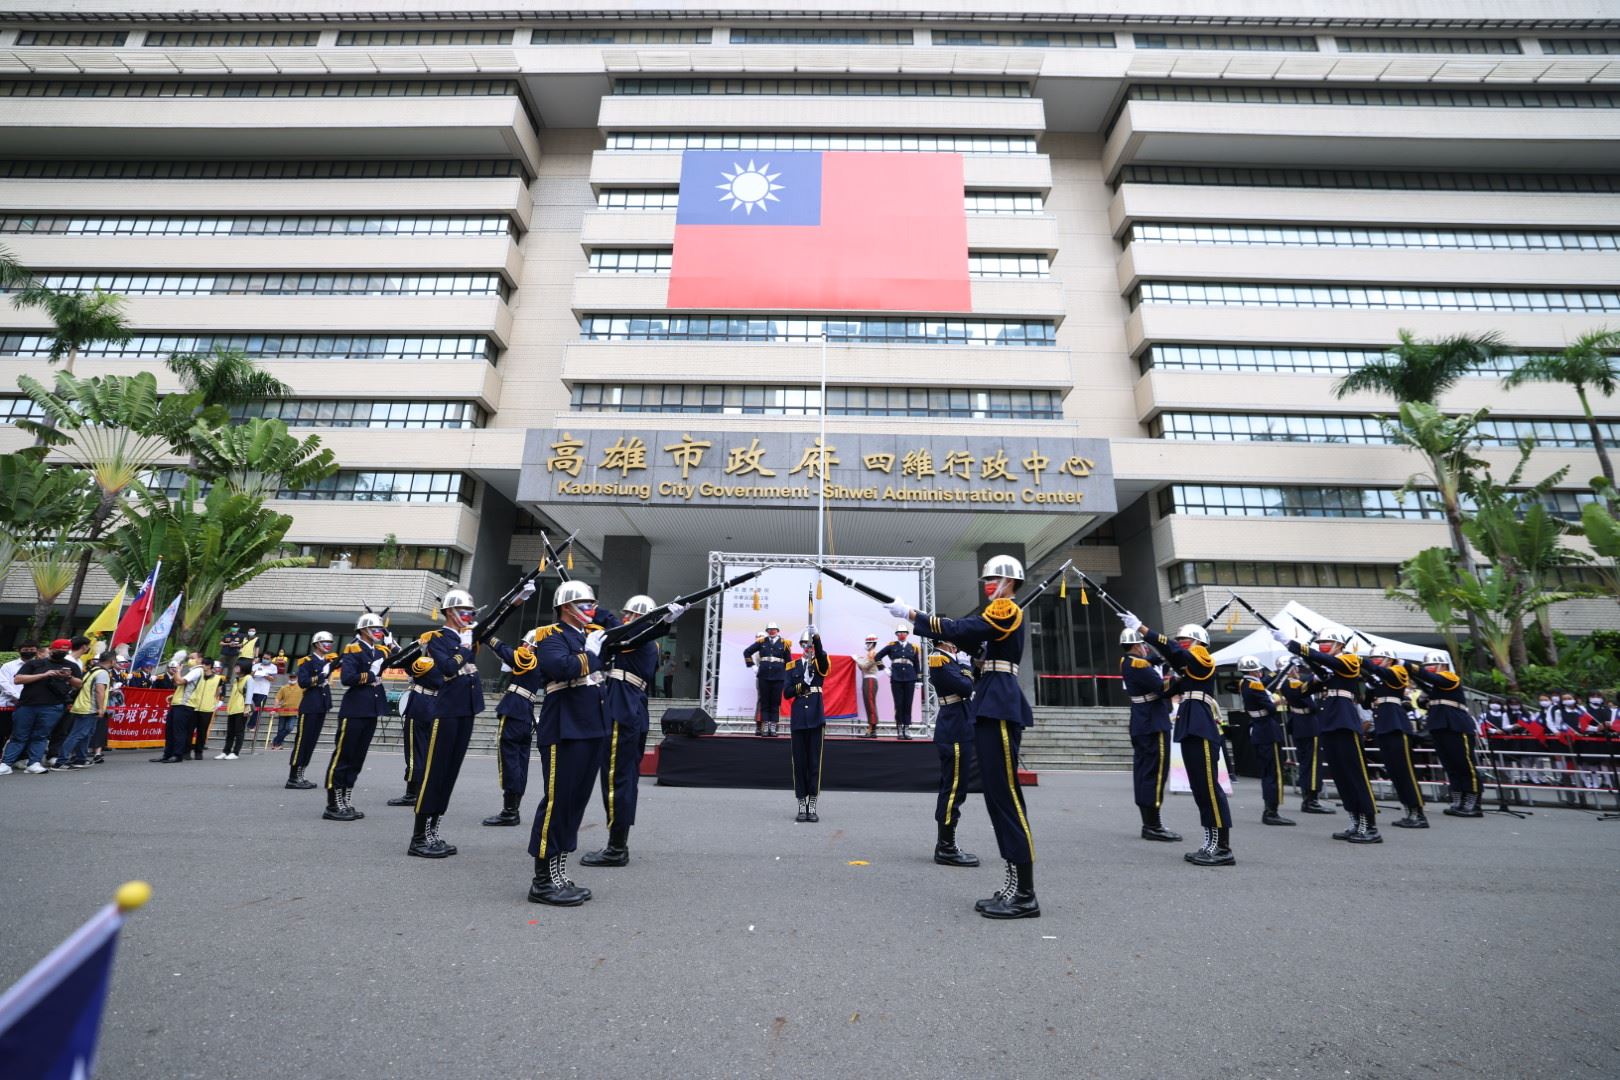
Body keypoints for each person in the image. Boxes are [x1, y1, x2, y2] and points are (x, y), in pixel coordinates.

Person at [889, 553, 1039, 919]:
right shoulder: (996, 616)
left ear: (1011, 582)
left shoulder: (1006, 608)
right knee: (996, 799)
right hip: (989, 704)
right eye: (987, 579)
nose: (990, 584)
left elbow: (958, 630)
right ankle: (1013, 884)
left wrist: (913, 615)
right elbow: (970, 641)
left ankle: (1024, 893)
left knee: (1007, 800)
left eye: (996, 578)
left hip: (1000, 704)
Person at [1122, 615, 1235, 866]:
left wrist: (1144, 629)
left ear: (1198, 642)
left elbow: (1176, 653)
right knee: (1200, 789)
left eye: (1185, 639)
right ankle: (1211, 840)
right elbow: (1168, 679)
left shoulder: (1203, 657)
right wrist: (1160, 662)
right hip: (1189, 726)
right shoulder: (1188, 668)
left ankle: (1223, 847)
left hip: (1202, 726)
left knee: (1209, 788)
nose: (1181, 642)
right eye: (1180, 639)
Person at [581, 593, 682, 867]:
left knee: (615, 779)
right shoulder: (637, 640)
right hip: (627, 707)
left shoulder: (641, 639)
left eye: (630, 616)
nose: (624, 620)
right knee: (621, 778)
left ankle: (616, 848)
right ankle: (617, 844)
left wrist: (593, 608)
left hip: (622, 708)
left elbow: (623, 631)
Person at [413, 587, 513, 858]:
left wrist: (513, 602)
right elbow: (447, 667)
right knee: (435, 774)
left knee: (448, 775)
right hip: (445, 711)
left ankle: (434, 831)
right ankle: (419, 836)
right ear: (449, 612)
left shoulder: (467, 635)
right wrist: (465, 647)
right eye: (464, 611)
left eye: (471, 612)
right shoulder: (437, 637)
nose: (469, 616)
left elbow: (493, 621)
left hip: (466, 710)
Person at [522, 579, 606, 902]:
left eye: (592, 603)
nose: (591, 609)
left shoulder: (587, 637)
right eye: (584, 604)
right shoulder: (550, 636)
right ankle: (542, 881)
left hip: (589, 728)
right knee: (557, 803)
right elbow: (561, 667)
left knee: (574, 805)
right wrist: (592, 655)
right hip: (564, 729)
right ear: (565, 608)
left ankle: (559, 872)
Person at [1275, 629, 1381, 844]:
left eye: (1328, 642)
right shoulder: (1328, 670)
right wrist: (1295, 680)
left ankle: (1369, 825)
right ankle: (1354, 821)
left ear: (1340, 645)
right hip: (1328, 724)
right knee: (1341, 777)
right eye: (1321, 642)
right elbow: (1301, 693)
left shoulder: (1348, 659)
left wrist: (1294, 645)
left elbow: (1325, 660)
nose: (1323, 645)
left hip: (1345, 722)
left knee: (1355, 775)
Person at [322, 613, 391, 821]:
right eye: (376, 629)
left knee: (357, 758)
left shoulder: (378, 650)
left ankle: (346, 797)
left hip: (370, 709)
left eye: (381, 630)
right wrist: (371, 674)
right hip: (354, 710)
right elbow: (347, 678)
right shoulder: (353, 648)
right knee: (343, 756)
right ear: (363, 631)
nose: (379, 633)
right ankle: (333, 803)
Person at [481, 627, 543, 828]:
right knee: (520, 761)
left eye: (526, 644)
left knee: (509, 760)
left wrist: (488, 637)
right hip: (525, 713)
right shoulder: (543, 664)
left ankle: (509, 811)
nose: (522, 647)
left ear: (532, 647)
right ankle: (513, 809)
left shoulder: (528, 658)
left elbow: (506, 652)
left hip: (514, 711)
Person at [1121, 628, 1179, 841]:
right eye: (1144, 645)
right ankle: (1153, 825)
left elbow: (1151, 661)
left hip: (1141, 721)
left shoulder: (1128, 662)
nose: (1146, 649)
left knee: (1145, 772)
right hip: (1153, 723)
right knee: (1155, 774)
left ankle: (1150, 822)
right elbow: (1163, 689)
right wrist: (1176, 675)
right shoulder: (1140, 665)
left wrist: (1166, 655)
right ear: (1138, 646)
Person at [1411, 651, 1483, 817]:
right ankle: (1458, 797)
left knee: (1465, 765)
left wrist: (1409, 666)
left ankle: (1473, 799)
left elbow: (1434, 679)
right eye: (1426, 666)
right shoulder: (1435, 687)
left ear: (1442, 665)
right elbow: (1423, 699)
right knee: (1450, 765)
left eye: (1431, 665)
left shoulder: (1450, 677)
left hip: (1457, 727)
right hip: (1439, 727)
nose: (1428, 669)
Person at [927, 640, 979, 867]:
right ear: (943, 642)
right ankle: (946, 847)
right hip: (954, 730)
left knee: (955, 789)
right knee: (953, 790)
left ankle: (946, 844)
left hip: (959, 727)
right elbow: (966, 687)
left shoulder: (949, 660)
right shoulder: (939, 660)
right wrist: (966, 667)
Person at [1364, 647, 1427, 828]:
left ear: (1389, 659)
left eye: (1379, 657)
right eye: (1373, 657)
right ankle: (1409, 810)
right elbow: (1366, 704)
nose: (1375, 660)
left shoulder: (1397, 671)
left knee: (1405, 771)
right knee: (1395, 772)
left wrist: (1367, 667)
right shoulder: (1380, 678)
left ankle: (1418, 813)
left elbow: (1384, 673)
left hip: (1397, 726)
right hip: (1383, 727)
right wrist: (1369, 684)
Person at [0, 639, 81, 775]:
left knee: (41, 736)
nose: (61, 653)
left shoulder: (71, 666)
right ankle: (6, 763)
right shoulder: (34, 663)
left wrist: (68, 677)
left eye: (64, 651)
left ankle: (34, 763)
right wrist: (45, 674)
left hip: (53, 706)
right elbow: (18, 679)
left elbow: (79, 684)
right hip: (27, 705)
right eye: (58, 650)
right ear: (50, 649)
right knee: (19, 735)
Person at [1237, 656, 1294, 827]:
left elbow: (1268, 682)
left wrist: (1282, 670)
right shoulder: (1255, 685)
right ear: (1255, 670)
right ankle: (1271, 811)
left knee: (1268, 772)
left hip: (1258, 730)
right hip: (1267, 731)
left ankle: (1270, 809)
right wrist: (1276, 699)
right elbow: (1269, 707)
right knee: (1273, 772)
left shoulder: (1245, 683)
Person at [784, 626, 830, 824]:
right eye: (805, 645)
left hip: (815, 717)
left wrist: (817, 637)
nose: (808, 648)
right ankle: (801, 803)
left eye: (810, 646)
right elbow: (786, 692)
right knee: (799, 764)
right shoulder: (792, 666)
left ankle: (813, 804)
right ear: (801, 646)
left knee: (814, 763)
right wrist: (800, 686)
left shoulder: (821, 661)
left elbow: (822, 659)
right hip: (798, 719)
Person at [387, 634, 438, 808]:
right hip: (435, 708)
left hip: (419, 707)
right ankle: (424, 790)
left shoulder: (426, 663)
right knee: (427, 752)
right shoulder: (449, 665)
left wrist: (395, 646)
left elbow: (403, 661)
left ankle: (411, 793)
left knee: (414, 752)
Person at [1278, 661, 1332, 814]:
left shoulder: (1286, 684)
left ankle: (1307, 798)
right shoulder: (1294, 684)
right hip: (1309, 725)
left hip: (1298, 725)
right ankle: (1311, 800)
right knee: (1313, 764)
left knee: (1305, 764)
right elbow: (1313, 706)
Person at [286, 632, 335, 789]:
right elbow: (303, 682)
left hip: (321, 705)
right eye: (325, 642)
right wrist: (321, 676)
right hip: (310, 705)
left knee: (311, 742)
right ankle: (293, 776)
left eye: (330, 642)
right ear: (316, 644)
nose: (328, 644)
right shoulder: (306, 661)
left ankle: (302, 773)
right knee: (302, 741)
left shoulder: (327, 661)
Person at [57, 649, 114, 769]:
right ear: (112, 661)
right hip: (89, 707)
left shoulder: (92, 670)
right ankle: (61, 761)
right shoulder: (102, 673)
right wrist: (100, 708)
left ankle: (80, 759)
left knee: (86, 734)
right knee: (77, 734)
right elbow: (100, 690)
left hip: (83, 705)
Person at [45, 637, 90, 765]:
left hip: (68, 698)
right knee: (44, 729)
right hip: (51, 698)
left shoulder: (77, 662)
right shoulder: (65, 661)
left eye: (65, 649)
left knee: (62, 729)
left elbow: (78, 682)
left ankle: (53, 755)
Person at [742, 622, 790, 737]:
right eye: (769, 629)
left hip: (778, 676)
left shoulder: (785, 643)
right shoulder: (762, 642)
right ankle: (765, 726)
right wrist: (752, 665)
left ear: (778, 630)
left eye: (774, 629)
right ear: (767, 631)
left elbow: (789, 661)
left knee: (775, 701)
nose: (772, 631)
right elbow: (747, 652)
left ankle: (773, 726)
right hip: (764, 675)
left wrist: (788, 675)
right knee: (764, 701)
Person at [875, 624, 921, 739]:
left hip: (910, 678)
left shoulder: (913, 647)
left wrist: (918, 679)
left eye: (904, 632)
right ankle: (899, 728)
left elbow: (917, 664)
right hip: (896, 678)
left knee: (908, 703)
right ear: (896, 635)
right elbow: (877, 657)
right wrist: (884, 669)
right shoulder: (892, 646)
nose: (901, 634)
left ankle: (907, 728)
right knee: (899, 703)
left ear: (907, 634)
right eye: (899, 633)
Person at [152, 654, 200, 764]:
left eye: (193, 658)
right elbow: (177, 683)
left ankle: (177, 755)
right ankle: (167, 754)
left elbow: (179, 681)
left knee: (179, 731)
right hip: (177, 703)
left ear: (200, 659)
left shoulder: (197, 671)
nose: (190, 660)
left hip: (185, 704)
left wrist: (177, 670)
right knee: (170, 730)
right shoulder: (191, 671)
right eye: (189, 658)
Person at [183, 657, 223, 760]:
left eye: (204, 664)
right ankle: (186, 752)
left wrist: (214, 702)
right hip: (194, 706)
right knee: (189, 730)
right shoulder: (198, 675)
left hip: (207, 708)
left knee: (202, 731)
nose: (202, 666)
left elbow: (218, 692)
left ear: (209, 666)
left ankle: (198, 752)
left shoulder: (218, 679)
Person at [217, 659, 252, 760]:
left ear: (244, 668)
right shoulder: (236, 679)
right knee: (230, 731)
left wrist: (247, 708)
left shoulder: (248, 678)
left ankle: (236, 752)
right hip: (233, 708)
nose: (235, 668)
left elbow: (249, 694)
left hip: (241, 709)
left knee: (239, 731)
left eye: (238, 666)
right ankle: (226, 751)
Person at [855, 634, 883, 737]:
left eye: (868, 643)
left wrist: (857, 659)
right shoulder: (870, 654)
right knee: (869, 703)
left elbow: (865, 666)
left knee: (870, 703)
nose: (867, 645)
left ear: (872, 643)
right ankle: (872, 728)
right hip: (868, 679)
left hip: (870, 679)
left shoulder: (873, 654)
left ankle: (872, 728)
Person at [247, 655, 277, 738]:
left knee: (258, 709)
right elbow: (250, 675)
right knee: (248, 707)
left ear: (271, 659)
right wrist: (256, 671)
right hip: (253, 689)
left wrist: (265, 675)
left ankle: (251, 725)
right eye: (264, 658)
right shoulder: (256, 665)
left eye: (267, 659)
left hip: (263, 691)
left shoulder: (273, 667)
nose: (265, 660)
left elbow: (273, 679)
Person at [271, 676, 302, 749]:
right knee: (281, 729)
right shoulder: (283, 688)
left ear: (297, 678)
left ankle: (275, 741)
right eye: (291, 677)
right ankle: (278, 745)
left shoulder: (301, 688)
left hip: (294, 712)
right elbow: (277, 698)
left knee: (289, 728)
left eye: (294, 677)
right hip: (283, 711)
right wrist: (274, 709)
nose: (292, 679)